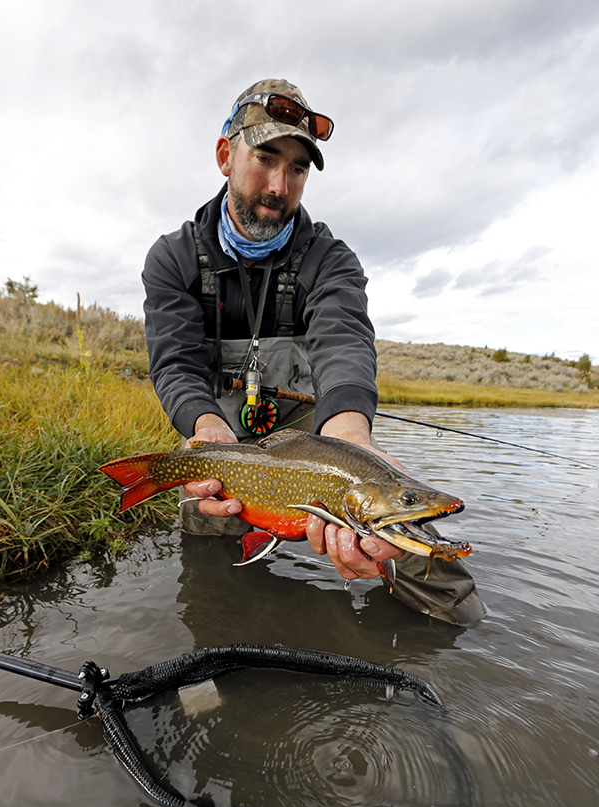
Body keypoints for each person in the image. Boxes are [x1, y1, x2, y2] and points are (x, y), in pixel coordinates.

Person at [142, 78, 486, 625]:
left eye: (298, 167)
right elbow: (175, 363)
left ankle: (455, 646)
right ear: (225, 155)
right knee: (207, 557)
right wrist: (204, 427)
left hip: (318, 431)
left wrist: (350, 436)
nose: (280, 184)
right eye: (266, 157)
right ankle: (223, 638)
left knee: (414, 548)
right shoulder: (174, 259)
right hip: (218, 438)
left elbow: (345, 340)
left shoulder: (330, 259)